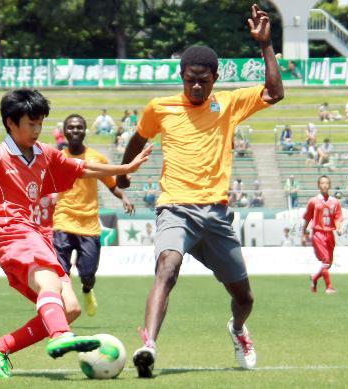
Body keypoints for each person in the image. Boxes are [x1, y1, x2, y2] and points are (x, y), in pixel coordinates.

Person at [116, 4, 284, 377]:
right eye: (190, 79)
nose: (195, 86)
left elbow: (275, 92)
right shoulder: (160, 108)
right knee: (167, 267)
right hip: (174, 208)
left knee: (244, 297)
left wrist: (266, 45)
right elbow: (137, 137)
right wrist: (124, 174)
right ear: (181, 74)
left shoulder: (228, 104)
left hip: (217, 214)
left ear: (215, 77)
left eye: (203, 81)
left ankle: (238, 330)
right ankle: (149, 345)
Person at [0, 88, 151, 378]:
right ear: (11, 123)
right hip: (12, 233)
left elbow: (82, 168)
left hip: (37, 235)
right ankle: (60, 335)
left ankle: (0, 347)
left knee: (71, 307)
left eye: (40, 123)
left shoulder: (43, 153)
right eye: (31, 124)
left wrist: (125, 167)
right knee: (50, 285)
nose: (37, 130)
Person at [52, 114, 135, 317]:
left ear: (85, 130)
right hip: (62, 220)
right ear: (64, 131)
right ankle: (63, 311)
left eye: (79, 127)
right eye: (70, 127)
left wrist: (123, 196)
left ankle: (87, 290)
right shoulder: (57, 158)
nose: (75, 131)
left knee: (88, 274)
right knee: (61, 273)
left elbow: (111, 184)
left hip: (88, 224)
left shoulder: (96, 159)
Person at [302, 175, 343, 294]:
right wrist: (303, 234)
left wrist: (339, 228)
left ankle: (314, 278)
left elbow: (337, 217)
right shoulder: (313, 201)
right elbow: (308, 218)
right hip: (318, 233)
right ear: (318, 185)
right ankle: (329, 287)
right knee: (325, 260)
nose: (324, 185)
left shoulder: (335, 202)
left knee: (328, 263)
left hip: (330, 234)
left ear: (329, 185)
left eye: (326, 183)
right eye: (322, 183)